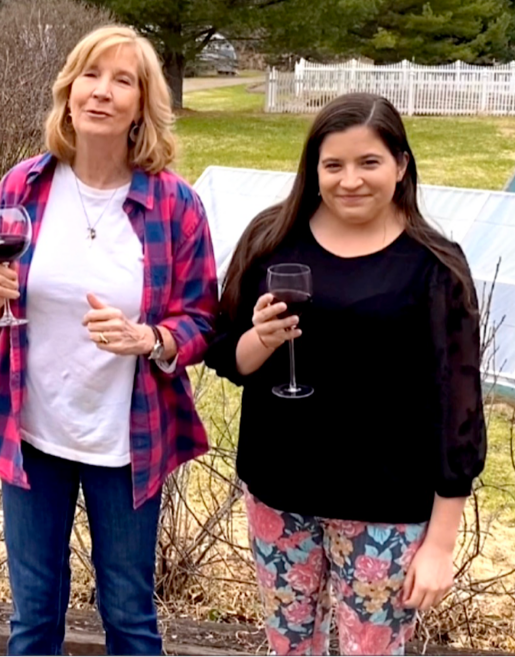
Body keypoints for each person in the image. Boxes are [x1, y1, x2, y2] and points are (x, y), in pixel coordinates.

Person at [0, 25, 218, 656]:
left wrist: (148, 337)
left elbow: (200, 322)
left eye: (122, 80)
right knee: (33, 619)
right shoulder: (23, 188)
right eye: (90, 75)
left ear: (141, 105)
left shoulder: (174, 205)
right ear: (70, 91)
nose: (102, 91)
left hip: (126, 442)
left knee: (129, 617)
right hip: (31, 436)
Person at [205, 93, 487, 657]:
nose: (350, 180)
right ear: (313, 168)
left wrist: (441, 543)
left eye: (369, 163)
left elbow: (459, 411)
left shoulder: (434, 266)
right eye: (333, 165)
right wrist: (258, 342)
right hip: (279, 496)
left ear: (401, 166)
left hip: (386, 509)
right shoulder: (271, 240)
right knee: (290, 649)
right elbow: (224, 356)